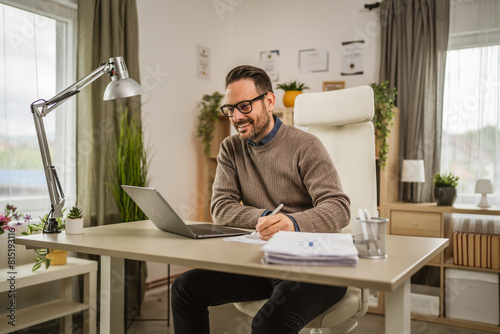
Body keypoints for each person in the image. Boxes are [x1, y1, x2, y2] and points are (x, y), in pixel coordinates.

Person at [171, 65, 351, 334]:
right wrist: (266, 219)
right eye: (230, 109)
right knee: (184, 288)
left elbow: (338, 207)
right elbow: (221, 208)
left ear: (269, 101)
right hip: (262, 261)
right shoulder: (231, 148)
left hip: (314, 266)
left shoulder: (306, 145)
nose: (236, 117)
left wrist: (291, 222)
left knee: (268, 323)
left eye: (244, 106)